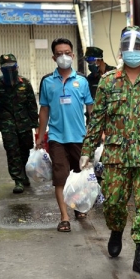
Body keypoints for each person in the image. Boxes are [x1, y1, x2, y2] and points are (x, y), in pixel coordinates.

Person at [80, 26, 140, 278]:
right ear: (121, 51)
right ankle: (116, 229)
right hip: (116, 156)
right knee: (113, 204)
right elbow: (97, 118)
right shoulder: (108, 81)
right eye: (128, 48)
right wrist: (87, 150)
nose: (133, 52)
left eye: (137, 47)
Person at [36, 38, 94, 233]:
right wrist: (40, 135)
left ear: (73, 55)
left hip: (80, 137)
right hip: (57, 138)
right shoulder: (47, 82)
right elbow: (44, 110)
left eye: (67, 52)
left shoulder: (82, 81)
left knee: (80, 176)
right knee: (60, 177)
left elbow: (91, 109)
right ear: (53, 57)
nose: (64, 56)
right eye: (59, 53)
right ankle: (64, 217)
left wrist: (96, 132)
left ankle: (77, 207)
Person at [0, 54, 38, 194]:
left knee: (25, 150)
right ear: (1, 69)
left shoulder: (25, 84)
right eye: (6, 67)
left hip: (24, 125)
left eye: (12, 66)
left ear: (17, 67)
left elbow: (32, 106)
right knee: (12, 152)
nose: (9, 70)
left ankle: (24, 174)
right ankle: (18, 180)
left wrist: (36, 126)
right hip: (7, 125)